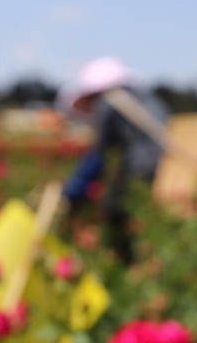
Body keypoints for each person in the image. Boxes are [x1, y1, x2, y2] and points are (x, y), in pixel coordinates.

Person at [58, 57, 170, 265]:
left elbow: (98, 155)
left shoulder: (107, 104)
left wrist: (74, 190)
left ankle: (126, 263)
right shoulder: (148, 99)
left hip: (139, 169)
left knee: (115, 210)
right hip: (165, 168)